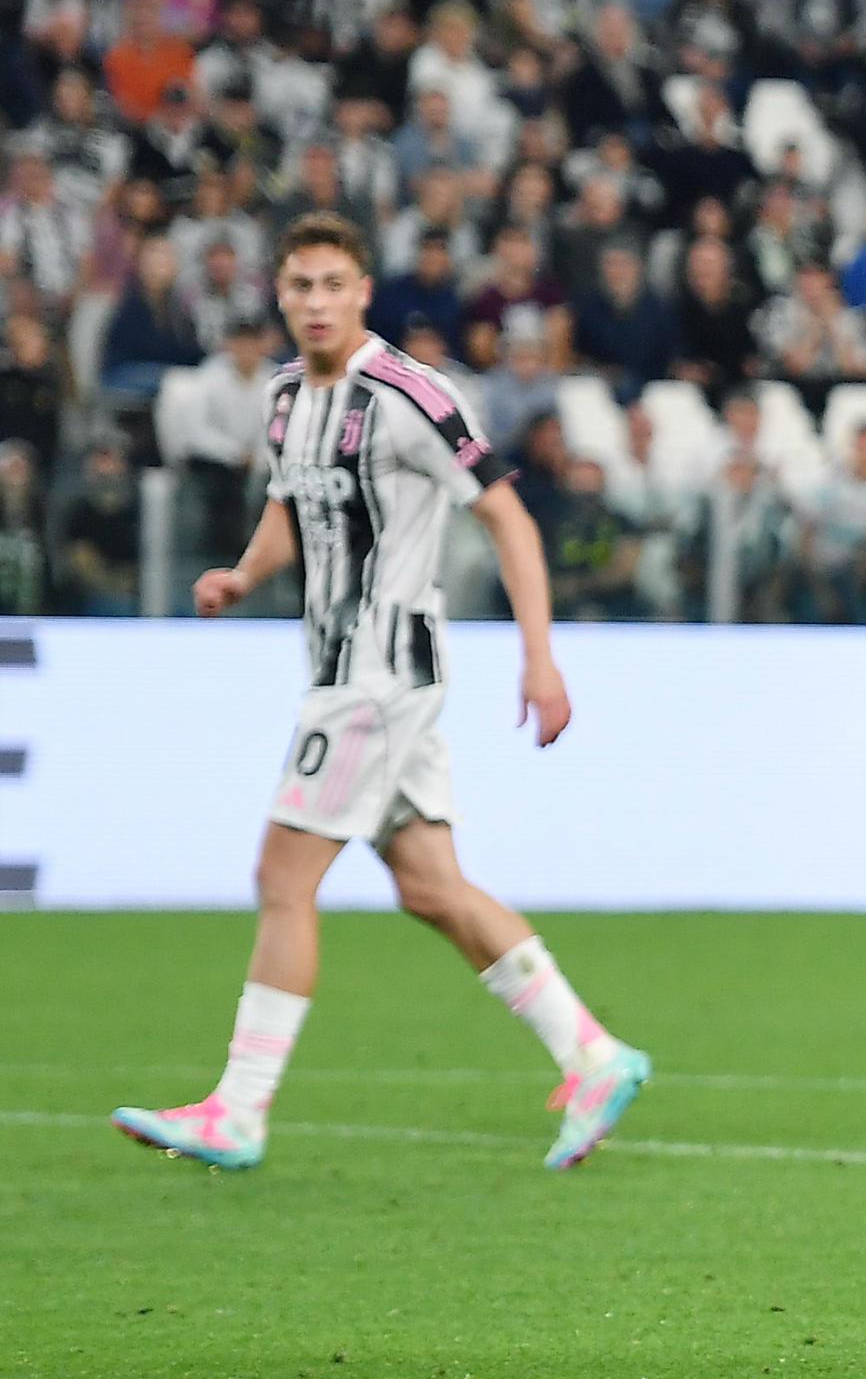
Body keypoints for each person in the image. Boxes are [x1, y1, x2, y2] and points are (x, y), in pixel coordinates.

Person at [110, 213, 652, 1174]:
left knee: (283, 878)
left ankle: (237, 1110)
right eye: (299, 287)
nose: (315, 303)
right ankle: (594, 1054)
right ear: (280, 297)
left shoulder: (411, 394)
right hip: (342, 669)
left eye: (333, 285)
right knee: (431, 887)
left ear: (363, 291)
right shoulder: (284, 396)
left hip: (377, 674)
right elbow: (292, 504)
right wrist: (242, 575)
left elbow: (510, 520)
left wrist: (541, 658)